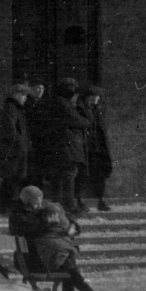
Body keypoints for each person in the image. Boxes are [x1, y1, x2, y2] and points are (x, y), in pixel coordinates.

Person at [8, 184, 104, 291]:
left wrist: (71, 225)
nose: (39, 205)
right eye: (36, 203)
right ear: (28, 201)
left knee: (65, 255)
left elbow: (56, 219)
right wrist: (49, 223)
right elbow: (33, 229)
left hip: (33, 256)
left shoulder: (30, 211)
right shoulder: (19, 214)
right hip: (30, 260)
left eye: (40, 202)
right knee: (66, 256)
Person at [34, 77, 92, 213]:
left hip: (59, 147)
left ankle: (59, 205)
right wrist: (83, 110)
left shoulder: (56, 101)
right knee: (68, 175)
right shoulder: (63, 103)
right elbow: (83, 121)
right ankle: (69, 205)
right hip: (66, 147)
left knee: (60, 177)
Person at [0, 80, 34, 215]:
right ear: (16, 94)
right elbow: (11, 129)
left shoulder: (16, 108)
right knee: (12, 181)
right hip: (13, 152)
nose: (25, 98)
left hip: (15, 151)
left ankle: (7, 208)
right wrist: (22, 145)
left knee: (13, 181)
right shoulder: (11, 107)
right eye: (23, 95)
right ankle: (7, 209)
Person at [80, 85, 114, 212]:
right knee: (82, 174)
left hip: (98, 147)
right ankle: (80, 201)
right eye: (96, 96)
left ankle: (101, 200)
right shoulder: (81, 109)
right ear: (90, 97)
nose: (98, 98)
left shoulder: (98, 110)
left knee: (101, 174)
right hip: (86, 146)